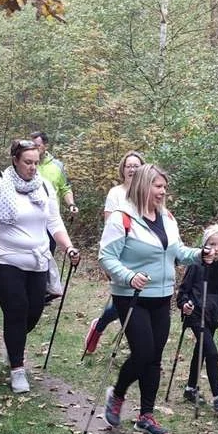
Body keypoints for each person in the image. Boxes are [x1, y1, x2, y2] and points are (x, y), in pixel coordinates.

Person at [99, 163, 208, 434]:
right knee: (144, 351)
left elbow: (177, 252)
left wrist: (199, 254)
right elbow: (106, 256)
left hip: (162, 296)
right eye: (158, 186)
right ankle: (118, 394)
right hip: (131, 296)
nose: (163, 191)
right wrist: (128, 276)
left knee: (154, 357)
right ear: (143, 186)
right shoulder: (121, 219)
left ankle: (146, 415)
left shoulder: (168, 218)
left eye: (164, 187)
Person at [0, 140, 80, 394]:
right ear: (15, 160)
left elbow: (54, 223)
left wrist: (68, 248)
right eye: (28, 162)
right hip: (5, 258)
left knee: (33, 310)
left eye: (36, 162)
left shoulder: (43, 187)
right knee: (16, 309)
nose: (33, 167)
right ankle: (17, 370)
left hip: (38, 259)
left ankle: (13, 348)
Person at [84, 151, 144, 354]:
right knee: (124, 297)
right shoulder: (115, 193)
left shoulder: (147, 193)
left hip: (142, 253)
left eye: (136, 166)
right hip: (119, 253)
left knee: (139, 298)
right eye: (129, 166)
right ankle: (99, 327)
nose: (132, 169)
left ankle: (137, 343)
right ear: (123, 169)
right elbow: (109, 223)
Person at [177, 224, 218, 414]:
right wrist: (185, 304)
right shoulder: (196, 265)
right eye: (212, 243)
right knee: (211, 352)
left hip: (213, 316)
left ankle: (190, 388)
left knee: (201, 350)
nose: (216, 248)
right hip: (196, 314)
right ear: (205, 245)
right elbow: (183, 292)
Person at [31, 131, 78, 232]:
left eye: (37, 146)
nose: (34, 149)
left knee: (51, 247)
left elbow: (65, 188)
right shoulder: (26, 165)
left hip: (50, 217)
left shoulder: (57, 166)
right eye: (32, 146)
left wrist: (71, 204)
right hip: (29, 217)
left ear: (45, 146)